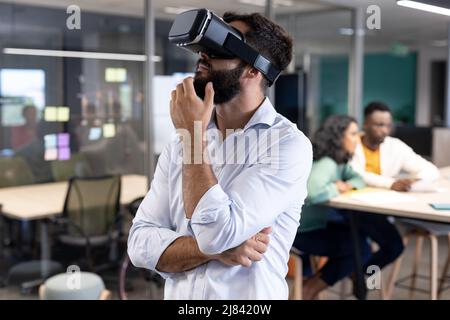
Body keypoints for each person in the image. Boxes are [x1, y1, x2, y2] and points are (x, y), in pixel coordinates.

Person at [127, 11, 312, 299]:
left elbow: (216, 233)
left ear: (254, 69)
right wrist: (213, 250)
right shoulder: (182, 143)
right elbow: (139, 244)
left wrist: (193, 137)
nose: (202, 55)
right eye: (203, 48)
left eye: (218, 49)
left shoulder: (286, 146)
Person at [294, 115, 404, 300]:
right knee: (362, 247)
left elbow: (358, 179)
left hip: (322, 223)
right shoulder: (327, 163)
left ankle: (349, 276)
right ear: (338, 137)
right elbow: (312, 192)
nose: (357, 139)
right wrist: (336, 187)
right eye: (353, 134)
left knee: (366, 244)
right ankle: (310, 288)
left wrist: (347, 184)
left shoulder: (340, 162)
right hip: (302, 232)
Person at [350, 101, 439, 191]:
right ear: (365, 124)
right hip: (355, 197)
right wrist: (391, 184)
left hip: (385, 198)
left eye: (388, 125)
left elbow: (430, 169)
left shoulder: (395, 146)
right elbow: (355, 174)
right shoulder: (351, 143)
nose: (385, 131)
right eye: (380, 125)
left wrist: (417, 180)